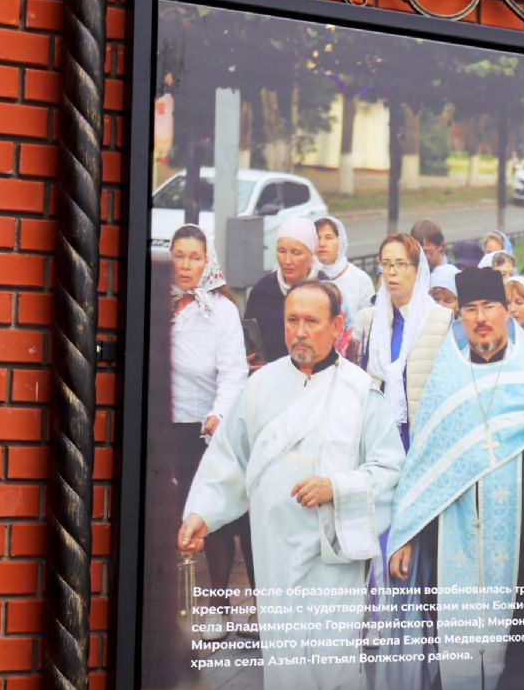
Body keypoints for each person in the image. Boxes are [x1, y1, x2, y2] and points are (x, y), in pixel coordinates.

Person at [177, 279, 404, 690]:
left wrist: (337, 486)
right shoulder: (258, 388)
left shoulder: (359, 392)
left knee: (333, 667)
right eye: (292, 320)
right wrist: (201, 514)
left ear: (337, 325)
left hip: (332, 558)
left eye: (312, 321)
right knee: (285, 666)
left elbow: (389, 470)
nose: (300, 331)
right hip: (275, 550)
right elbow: (230, 459)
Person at [382, 268, 524, 690]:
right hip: (455, 533)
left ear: (507, 313)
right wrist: (405, 534)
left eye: (490, 308)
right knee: (457, 650)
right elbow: (425, 465)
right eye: (471, 310)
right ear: (460, 318)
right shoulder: (446, 378)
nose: (481, 319)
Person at [161, 225, 251, 644]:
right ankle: (170, 608)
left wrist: (218, 414)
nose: (185, 265)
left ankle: (217, 608)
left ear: (207, 261)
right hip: (165, 424)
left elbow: (234, 372)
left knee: (208, 518)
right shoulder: (161, 304)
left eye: (194, 257)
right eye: (179, 255)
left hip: (205, 427)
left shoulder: (220, 311)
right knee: (169, 518)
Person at [355, 234, 454, 448]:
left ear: (418, 270)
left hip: (422, 435)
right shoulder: (367, 320)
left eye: (401, 264)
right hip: (376, 435)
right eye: (386, 264)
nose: (392, 272)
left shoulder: (440, 319)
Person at [244, 217, 318, 365]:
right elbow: (248, 343)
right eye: (281, 251)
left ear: (311, 254)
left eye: (296, 253)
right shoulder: (262, 290)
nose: (287, 260)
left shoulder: (326, 290)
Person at [314, 215, 375, 317]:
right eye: (317, 238)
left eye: (328, 237)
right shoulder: (305, 276)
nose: (322, 243)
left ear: (340, 241)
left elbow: (368, 322)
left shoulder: (361, 280)